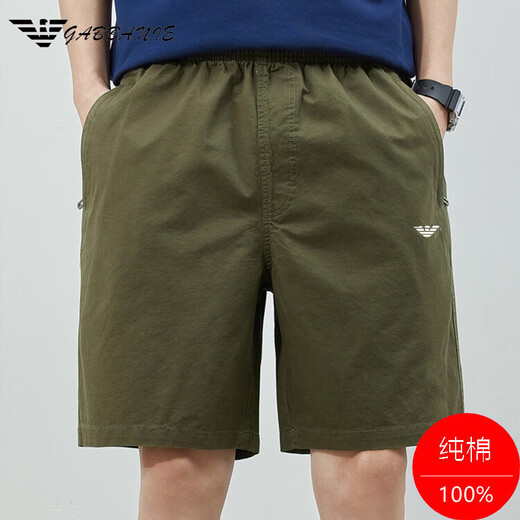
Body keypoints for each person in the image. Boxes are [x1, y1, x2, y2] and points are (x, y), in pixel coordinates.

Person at [60, 0, 465, 518]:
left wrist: (436, 89)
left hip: (363, 100)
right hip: (167, 105)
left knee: (369, 453)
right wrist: (87, 87)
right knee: (179, 455)